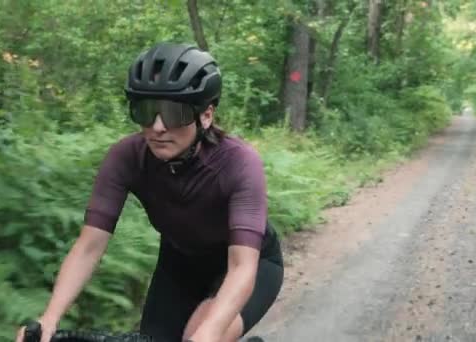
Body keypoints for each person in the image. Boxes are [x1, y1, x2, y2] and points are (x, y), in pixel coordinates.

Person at [15, 42, 284, 342]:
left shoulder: (238, 163)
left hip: (250, 265)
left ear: (205, 115)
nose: (157, 126)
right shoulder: (126, 157)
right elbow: (89, 246)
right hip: (179, 264)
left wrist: (207, 333)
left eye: (174, 113)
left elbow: (241, 266)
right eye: (146, 111)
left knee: (201, 334)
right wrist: (49, 318)